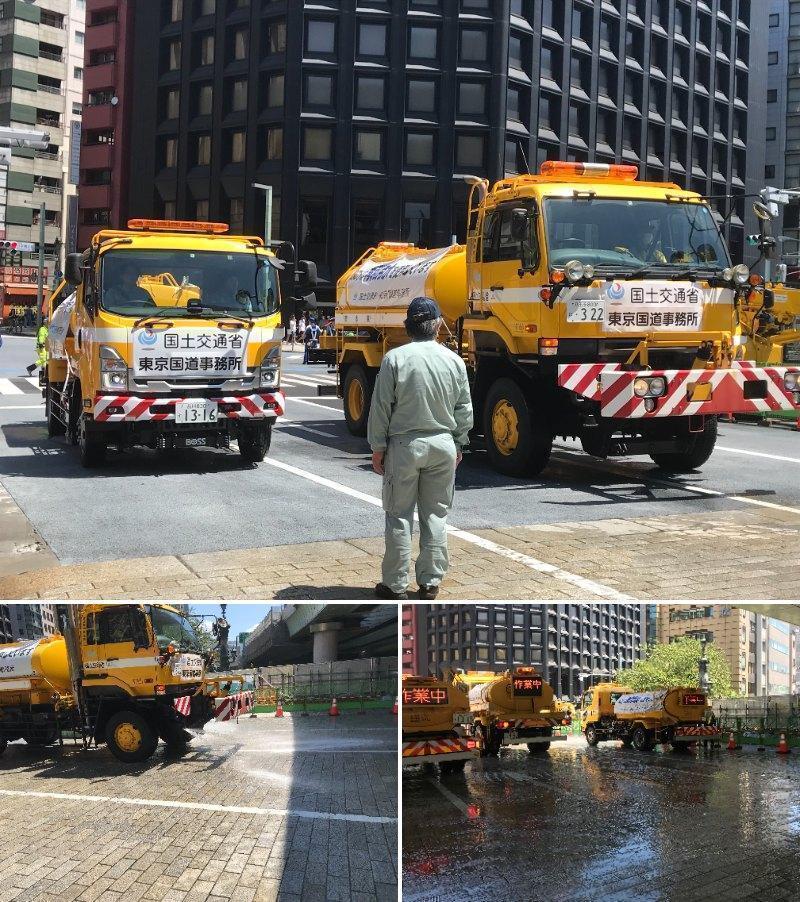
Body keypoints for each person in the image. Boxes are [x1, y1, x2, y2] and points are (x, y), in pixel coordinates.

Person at [367, 296, 473, 600]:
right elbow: (463, 409)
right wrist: (459, 443)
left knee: (399, 515)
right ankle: (430, 583)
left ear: (408, 327)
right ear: (438, 325)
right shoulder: (454, 361)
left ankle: (395, 585)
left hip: (404, 446)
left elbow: (381, 408)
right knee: (436, 516)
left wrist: (378, 447)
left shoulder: (395, 359)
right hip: (443, 445)